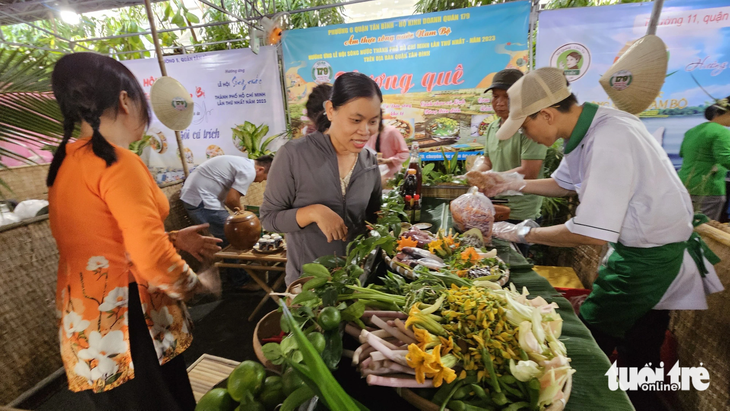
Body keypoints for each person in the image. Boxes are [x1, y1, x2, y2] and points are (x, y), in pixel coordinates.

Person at [478, 67, 724, 411]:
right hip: (640, 252)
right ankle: (639, 399)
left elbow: (588, 232)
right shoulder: (591, 128)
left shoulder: (609, 137)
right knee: (640, 344)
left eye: (525, 126)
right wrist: (510, 183)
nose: (527, 135)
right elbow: (565, 183)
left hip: (649, 259)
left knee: (590, 342)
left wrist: (521, 232)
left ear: (547, 114)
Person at [47, 52, 221, 411]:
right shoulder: (119, 163)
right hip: (129, 322)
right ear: (125, 100)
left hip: (90, 322)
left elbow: (101, 240)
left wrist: (173, 239)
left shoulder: (66, 161)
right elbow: (150, 257)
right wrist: (196, 284)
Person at [260, 72, 383, 285]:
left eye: (373, 121)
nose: (365, 131)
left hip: (356, 281)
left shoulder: (369, 161)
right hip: (309, 283)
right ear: (330, 111)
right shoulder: (294, 155)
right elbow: (269, 218)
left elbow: (373, 217)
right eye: (355, 120)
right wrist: (313, 212)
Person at [473, 69, 547, 246]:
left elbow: (528, 171)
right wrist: (476, 175)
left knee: (515, 259)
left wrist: (492, 180)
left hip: (519, 211)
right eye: (495, 96)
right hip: (493, 206)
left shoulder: (530, 127)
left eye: (506, 97)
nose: (499, 103)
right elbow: (488, 162)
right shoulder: (492, 127)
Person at [181, 154, 271, 291]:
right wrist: (246, 216)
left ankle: (236, 276)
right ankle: (240, 281)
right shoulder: (248, 171)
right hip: (201, 200)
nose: (261, 181)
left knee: (229, 238)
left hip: (197, 197)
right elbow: (232, 200)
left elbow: (231, 200)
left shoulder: (243, 163)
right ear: (260, 169)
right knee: (233, 238)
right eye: (264, 177)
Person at [678, 97, 730, 221]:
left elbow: (682, 153)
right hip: (707, 189)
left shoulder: (692, 131)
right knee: (704, 230)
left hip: (685, 185)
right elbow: (726, 159)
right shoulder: (721, 132)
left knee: (686, 227)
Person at [365, 110, 410, 183]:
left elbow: (404, 154)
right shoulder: (365, 133)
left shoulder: (391, 132)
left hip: (391, 178)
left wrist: (388, 160)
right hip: (372, 178)